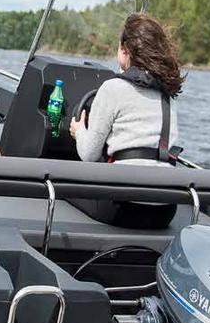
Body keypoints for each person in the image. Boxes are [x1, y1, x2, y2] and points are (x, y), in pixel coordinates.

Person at [68, 12, 185, 227]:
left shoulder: (112, 88)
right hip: (165, 212)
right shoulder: (167, 94)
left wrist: (78, 130)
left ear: (124, 50)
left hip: (123, 207)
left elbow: (88, 155)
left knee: (62, 187)